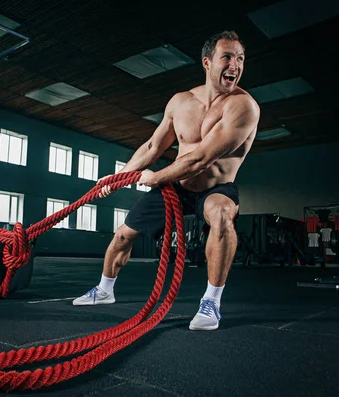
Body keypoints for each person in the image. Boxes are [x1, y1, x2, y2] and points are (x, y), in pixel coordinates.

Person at [73, 30, 260, 331]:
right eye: (227, 57)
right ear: (207, 62)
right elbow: (152, 147)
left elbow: (201, 159)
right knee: (122, 235)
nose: (235, 65)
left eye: (240, 59)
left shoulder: (244, 107)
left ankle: (211, 301)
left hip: (216, 188)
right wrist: (119, 177)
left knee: (222, 216)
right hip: (177, 186)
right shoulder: (180, 102)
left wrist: (155, 177)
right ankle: (104, 290)